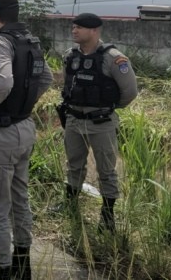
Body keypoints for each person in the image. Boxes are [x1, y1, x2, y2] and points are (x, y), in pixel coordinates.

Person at [0, 0, 53, 280]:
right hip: (25, 128)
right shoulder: (31, 42)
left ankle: (1, 272)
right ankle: (22, 266)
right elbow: (47, 78)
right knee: (19, 198)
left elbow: (3, 80)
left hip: (0, 133)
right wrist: (23, 105)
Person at [58, 13, 138, 232]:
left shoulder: (113, 58)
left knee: (106, 170)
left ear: (94, 30)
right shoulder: (70, 56)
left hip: (102, 122)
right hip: (74, 120)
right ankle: (70, 205)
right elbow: (66, 84)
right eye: (73, 27)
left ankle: (108, 215)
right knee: (73, 164)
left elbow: (130, 92)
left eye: (79, 27)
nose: (74, 30)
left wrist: (107, 107)